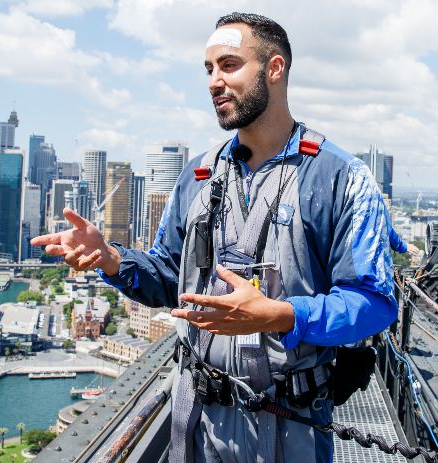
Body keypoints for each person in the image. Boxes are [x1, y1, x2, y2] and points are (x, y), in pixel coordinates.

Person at [31, 12, 397, 463]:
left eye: (229, 65)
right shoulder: (199, 177)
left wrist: (282, 315)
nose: (214, 81)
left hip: (290, 425)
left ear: (274, 69)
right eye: (208, 69)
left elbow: (375, 302)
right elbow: (171, 278)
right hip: (197, 423)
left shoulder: (339, 178)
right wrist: (110, 258)